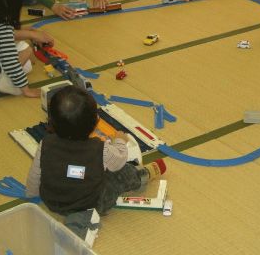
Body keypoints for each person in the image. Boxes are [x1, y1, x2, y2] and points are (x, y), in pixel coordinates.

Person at [25, 86, 166, 237]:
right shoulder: (100, 149)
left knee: (76, 173)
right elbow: (119, 161)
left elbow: (35, 174)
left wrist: (32, 193)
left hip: (53, 200)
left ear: (51, 121)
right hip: (92, 202)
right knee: (123, 172)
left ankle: (77, 217)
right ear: (94, 123)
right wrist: (119, 140)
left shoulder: (45, 143)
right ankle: (141, 175)